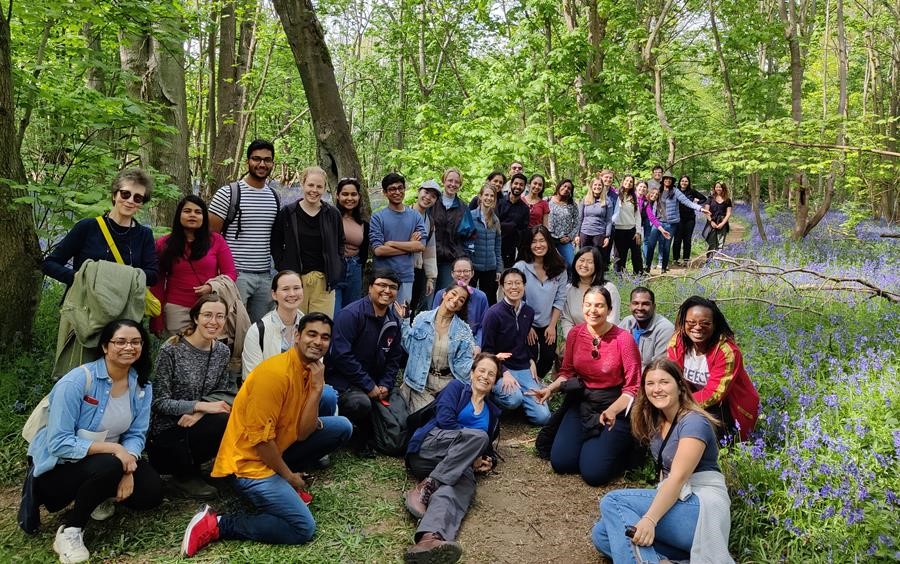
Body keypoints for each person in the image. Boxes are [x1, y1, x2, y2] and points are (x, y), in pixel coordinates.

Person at [181, 313, 353, 556]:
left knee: (342, 426)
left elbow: (304, 433)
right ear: (297, 336)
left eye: (325, 337)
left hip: (277, 448)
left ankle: (281, 483)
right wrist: (290, 477)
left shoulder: (310, 371)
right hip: (248, 463)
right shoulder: (275, 374)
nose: (318, 342)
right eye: (311, 334)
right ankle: (217, 524)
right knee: (303, 527)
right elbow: (261, 442)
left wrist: (316, 389)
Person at [28, 319, 162, 564]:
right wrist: (115, 449)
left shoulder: (141, 385)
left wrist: (129, 463)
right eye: (120, 341)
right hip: (61, 469)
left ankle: (97, 496)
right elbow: (58, 442)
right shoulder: (77, 381)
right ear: (105, 347)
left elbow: (136, 433)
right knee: (108, 465)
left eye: (135, 342)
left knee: (150, 493)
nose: (128, 347)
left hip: (111, 461)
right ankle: (70, 531)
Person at [592, 358, 734, 564]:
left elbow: (677, 478)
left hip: (701, 507)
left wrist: (650, 519)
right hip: (679, 501)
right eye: (650, 383)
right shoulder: (659, 421)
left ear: (680, 387)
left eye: (664, 382)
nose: (656, 389)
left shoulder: (694, 422)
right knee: (601, 533)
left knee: (613, 501)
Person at [532, 286, 642, 486]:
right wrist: (550, 388)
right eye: (588, 305)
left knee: (593, 474)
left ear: (609, 309)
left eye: (599, 306)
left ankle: (619, 447)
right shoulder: (575, 334)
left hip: (613, 407)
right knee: (561, 463)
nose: (593, 310)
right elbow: (567, 372)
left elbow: (632, 387)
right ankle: (591, 446)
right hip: (582, 402)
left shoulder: (623, 339)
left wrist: (612, 410)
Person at [402, 353, 502, 563]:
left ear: (495, 381)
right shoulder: (457, 388)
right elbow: (444, 420)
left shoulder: (492, 412)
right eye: (481, 370)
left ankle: (429, 539)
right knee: (478, 437)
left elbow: (489, 449)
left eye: (491, 374)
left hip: (455, 466)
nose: (485, 376)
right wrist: (473, 448)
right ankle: (427, 484)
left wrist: (486, 460)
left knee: (458, 487)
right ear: (472, 373)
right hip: (430, 449)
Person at [148, 295, 232, 499]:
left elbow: (220, 395)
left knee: (229, 414)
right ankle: (183, 476)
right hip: (167, 434)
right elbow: (159, 402)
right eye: (208, 315)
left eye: (220, 316)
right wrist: (197, 406)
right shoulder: (172, 349)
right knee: (221, 419)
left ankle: (218, 469)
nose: (214, 322)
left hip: (198, 423)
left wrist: (200, 412)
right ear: (196, 317)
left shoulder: (222, 351)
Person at [326, 269, 405, 457]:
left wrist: (385, 383)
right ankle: (354, 437)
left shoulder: (393, 320)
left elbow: (394, 358)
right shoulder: (351, 314)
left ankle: (376, 433)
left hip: (375, 382)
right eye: (382, 285)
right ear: (370, 287)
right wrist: (368, 385)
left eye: (392, 287)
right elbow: (341, 356)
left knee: (399, 404)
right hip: (344, 381)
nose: (387, 291)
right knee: (360, 404)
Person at [241, 270, 338, 416]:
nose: (292, 294)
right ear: (274, 294)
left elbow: (316, 372)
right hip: (269, 401)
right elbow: (251, 379)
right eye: (285, 289)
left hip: (303, 397)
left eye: (297, 288)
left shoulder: (313, 329)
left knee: (333, 403)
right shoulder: (257, 331)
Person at [42, 168, 159, 289]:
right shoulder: (87, 227)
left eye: (138, 198)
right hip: (84, 303)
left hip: (122, 305)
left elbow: (153, 275)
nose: (130, 201)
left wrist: (118, 275)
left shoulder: (144, 235)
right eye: (125, 194)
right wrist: (78, 277)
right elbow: (49, 264)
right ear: (114, 195)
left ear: (141, 204)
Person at [667, 296, 759, 441]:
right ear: (683, 323)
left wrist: (677, 405)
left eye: (705, 323)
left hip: (726, 406)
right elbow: (671, 375)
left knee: (697, 430)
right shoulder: (677, 342)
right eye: (691, 322)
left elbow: (714, 394)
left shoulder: (727, 351)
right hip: (690, 399)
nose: (697, 327)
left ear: (715, 324)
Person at [208, 140, 280, 323]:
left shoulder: (274, 197)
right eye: (256, 159)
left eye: (267, 160)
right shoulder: (228, 193)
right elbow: (211, 237)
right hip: (235, 276)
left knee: (261, 331)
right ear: (247, 161)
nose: (262, 164)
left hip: (265, 276)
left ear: (272, 163)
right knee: (231, 328)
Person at [151, 195, 237, 335]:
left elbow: (230, 273)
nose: (192, 215)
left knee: (208, 351)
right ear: (179, 215)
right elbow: (157, 283)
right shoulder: (164, 244)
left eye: (198, 212)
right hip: (176, 310)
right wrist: (157, 318)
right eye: (187, 211)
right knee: (180, 352)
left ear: (204, 217)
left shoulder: (216, 241)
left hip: (209, 308)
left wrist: (211, 287)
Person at [271, 166, 345, 316]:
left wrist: (338, 266)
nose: (314, 190)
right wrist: (283, 266)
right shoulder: (288, 213)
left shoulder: (332, 214)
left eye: (319, 186)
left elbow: (340, 243)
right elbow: (275, 243)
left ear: (325, 189)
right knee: (293, 328)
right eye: (310, 185)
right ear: (303, 184)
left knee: (320, 327)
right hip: (295, 282)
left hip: (324, 283)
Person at [481, 268, 551, 426]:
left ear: (524, 286)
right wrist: (503, 371)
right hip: (501, 368)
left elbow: (526, 340)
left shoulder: (528, 312)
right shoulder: (493, 313)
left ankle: (523, 400)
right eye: (509, 283)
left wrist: (532, 360)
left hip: (523, 368)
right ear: (503, 287)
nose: (514, 287)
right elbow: (487, 351)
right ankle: (492, 396)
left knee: (543, 417)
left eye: (518, 283)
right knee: (513, 399)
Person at [400, 282, 476, 413]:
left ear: (461, 307)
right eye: (453, 294)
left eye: (461, 300)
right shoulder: (422, 318)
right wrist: (405, 321)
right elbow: (410, 347)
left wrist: (480, 363)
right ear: (445, 294)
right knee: (428, 417)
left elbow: (462, 363)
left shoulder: (463, 330)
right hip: (421, 382)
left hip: (447, 385)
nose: (455, 300)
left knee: (446, 416)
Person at [513, 226, 568, 379]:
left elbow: (560, 298)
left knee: (547, 358)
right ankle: (529, 384)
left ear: (549, 242)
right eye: (534, 241)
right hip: (525, 321)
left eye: (542, 241)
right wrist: (526, 325)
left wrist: (552, 326)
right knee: (528, 356)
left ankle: (535, 382)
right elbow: (516, 298)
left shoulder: (560, 268)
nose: (538, 245)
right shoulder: (521, 267)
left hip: (548, 321)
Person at [370, 173, 427, 306]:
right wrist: (409, 246)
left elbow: (420, 246)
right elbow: (378, 250)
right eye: (392, 189)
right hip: (382, 276)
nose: (397, 192)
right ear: (385, 193)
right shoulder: (378, 217)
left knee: (402, 317)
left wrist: (392, 243)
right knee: (380, 316)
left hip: (406, 275)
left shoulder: (415, 216)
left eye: (400, 188)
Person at [648, 175, 708, 273]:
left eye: (670, 179)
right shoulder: (659, 190)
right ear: (663, 180)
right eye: (666, 179)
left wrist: (700, 208)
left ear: (672, 181)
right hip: (658, 221)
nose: (668, 180)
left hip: (671, 223)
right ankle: (651, 265)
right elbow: (650, 200)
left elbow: (687, 202)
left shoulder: (675, 191)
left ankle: (664, 266)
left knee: (667, 245)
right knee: (653, 243)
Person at [560, 246, 621, 339]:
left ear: (597, 265)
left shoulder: (609, 289)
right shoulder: (569, 289)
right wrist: (572, 340)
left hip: (605, 341)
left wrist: (595, 341)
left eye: (590, 262)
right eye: (581, 260)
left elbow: (613, 320)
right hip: (577, 340)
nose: (584, 265)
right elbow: (566, 319)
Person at [432, 257, 489, 351]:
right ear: (452, 274)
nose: (462, 275)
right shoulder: (441, 294)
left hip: (471, 343)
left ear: (472, 273)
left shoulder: (481, 297)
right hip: (444, 342)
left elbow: (483, 326)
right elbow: (434, 320)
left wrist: (478, 345)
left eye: (466, 271)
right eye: (458, 271)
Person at [431, 168, 474, 289]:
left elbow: (469, 235)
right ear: (444, 181)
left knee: (446, 295)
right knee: (426, 299)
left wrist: (464, 258)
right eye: (450, 180)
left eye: (457, 182)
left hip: (451, 260)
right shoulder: (432, 202)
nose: (453, 184)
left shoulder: (463, 208)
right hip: (430, 258)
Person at [333, 177, 369, 313]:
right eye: (345, 194)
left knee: (351, 314)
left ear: (359, 196)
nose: (349, 198)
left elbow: (364, 252)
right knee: (334, 315)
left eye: (353, 194)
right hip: (334, 270)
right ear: (337, 195)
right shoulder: (330, 217)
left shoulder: (363, 224)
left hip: (354, 269)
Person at [619, 287, 674, 369]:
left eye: (645, 304)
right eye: (635, 303)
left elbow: (658, 366)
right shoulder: (627, 323)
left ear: (654, 306)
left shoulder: (665, 329)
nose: (640, 308)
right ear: (630, 306)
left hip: (649, 378)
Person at [410, 180, 440, 317]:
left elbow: (430, 251)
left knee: (412, 305)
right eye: (426, 192)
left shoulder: (430, 222)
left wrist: (430, 278)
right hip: (399, 268)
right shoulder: (403, 213)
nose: (428, 197)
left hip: (418, 270)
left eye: (433, 196)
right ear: (419, 191)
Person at [469, 183, 502, 305]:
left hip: (490, 267)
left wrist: (499, 268)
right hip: (473, 266)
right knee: (469, 297)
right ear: (480, 196)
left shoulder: (495, 220)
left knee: (490, 300)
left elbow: (497, 247)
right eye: (486, 195)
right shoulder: (470, 216)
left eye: (492, 196)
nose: (489, 198)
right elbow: (464, 242)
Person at [577, 173, 617, 270]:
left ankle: (596, 280)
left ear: (602, 187)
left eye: (599, 185)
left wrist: (607, 236)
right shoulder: (585, 200)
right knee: (583, 257)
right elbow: (580, 218)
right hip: (584, 233)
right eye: (595, 185)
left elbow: (608, 221)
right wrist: (577, 235)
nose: (597, 187)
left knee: (596, 259)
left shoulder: (607, 202)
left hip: (599, 234)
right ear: (591, 186)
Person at [671, 175, 708, 267]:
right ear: (679, 182)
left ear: (688, 183)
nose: (684, 183)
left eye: (686, 181)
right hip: (678, 218)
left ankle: (686, 259)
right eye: (682, 181)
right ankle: (676, 259)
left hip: (690, 218)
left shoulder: (692, 191)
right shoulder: (675, 191)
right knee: (677, 239)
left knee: (687, 239)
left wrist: (696, 203)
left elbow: (704, 198)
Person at [611, 174, 644, 275]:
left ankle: (639, 276)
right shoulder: (616, 195)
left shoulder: (633, 197)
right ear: (623, 181)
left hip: (631, 230)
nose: (628, 183)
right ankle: (619, 277)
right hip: (618, 230)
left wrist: (638, 232)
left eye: (631, 181)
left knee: (637, 255)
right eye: (627, 180)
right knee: (620, 256)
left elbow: (637, 216)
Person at [497, 173, 530, 268]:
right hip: (494, 247)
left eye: (521, 185)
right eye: (516, 183)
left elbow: (523, 231)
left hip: (510, 250)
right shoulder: (499, 202)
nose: (518, 186)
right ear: (511, 184)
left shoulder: (524, 209)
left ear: (524, 188)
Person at [637, 182, 670, 273]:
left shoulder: (652, 203)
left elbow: (652, 217)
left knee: (647, 240)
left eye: (656, 195)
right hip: (637, 222)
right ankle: (645, 263)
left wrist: (662, 230)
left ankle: (647, 263)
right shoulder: (643, 200)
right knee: (644, 242)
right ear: (648, 192)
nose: (654, 195)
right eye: (653, 193)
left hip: (647, 221)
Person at [547, 178, 579, 269]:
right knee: (549, 264)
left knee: (570, 263)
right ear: (559, 186)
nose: (566, 189)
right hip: (548, 238)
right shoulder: (547, 200)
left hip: (564, 239)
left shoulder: (572, 205)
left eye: (569, 188)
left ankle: (569, 281)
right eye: (564, 186)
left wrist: (570, 237)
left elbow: (577, 223)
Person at [704, 181, 733, 260]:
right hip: (712, 222)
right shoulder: (710, 198)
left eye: (720, 187)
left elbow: (728, 213)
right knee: (711, 241)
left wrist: (723, 223)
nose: (718, 188)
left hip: (722, 222)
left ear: (723, 188)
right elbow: (706, 211)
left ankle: (717, 260)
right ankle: (709, 259)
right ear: (714, 188)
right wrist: (711, 221)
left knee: (720, 243)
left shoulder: (727, 200)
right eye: (716, 187)